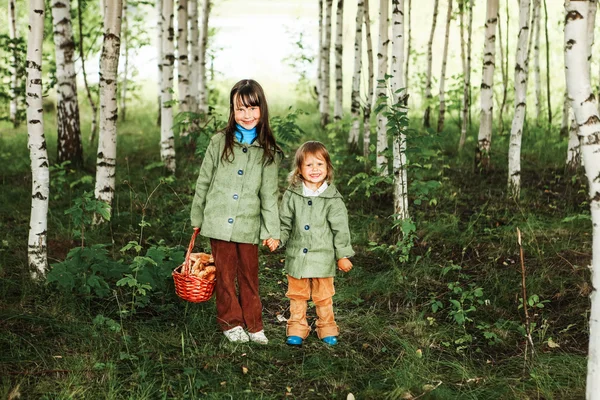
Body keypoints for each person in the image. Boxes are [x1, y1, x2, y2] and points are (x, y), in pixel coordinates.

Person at [191, 79, 281, 344]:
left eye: (252, 109)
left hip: (248, 225)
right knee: (225, 274)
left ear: (262, 110)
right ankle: (231, 322)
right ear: (232, 110)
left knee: (249, 275)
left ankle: (254, 325)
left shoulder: (268, 151)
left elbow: (269, 196)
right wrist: (197, 217)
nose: (247, 115)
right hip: (218, 220)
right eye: (240, 109)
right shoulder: (220, 142)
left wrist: (271, 230)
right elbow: (204, 180)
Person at [270, 141, 354, 346]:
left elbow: (340, 229)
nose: (315, 169)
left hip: (323, 258)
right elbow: (285, 222)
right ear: (299, 169)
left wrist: (342, 255)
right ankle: (297, 328)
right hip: (297, 257)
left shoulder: (332, 199)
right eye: (309, 165)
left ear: (328, 168)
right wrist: (278, 239)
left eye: (320, 164)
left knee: (323, 296)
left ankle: (327, 328)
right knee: (297, 295)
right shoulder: (292, 194)